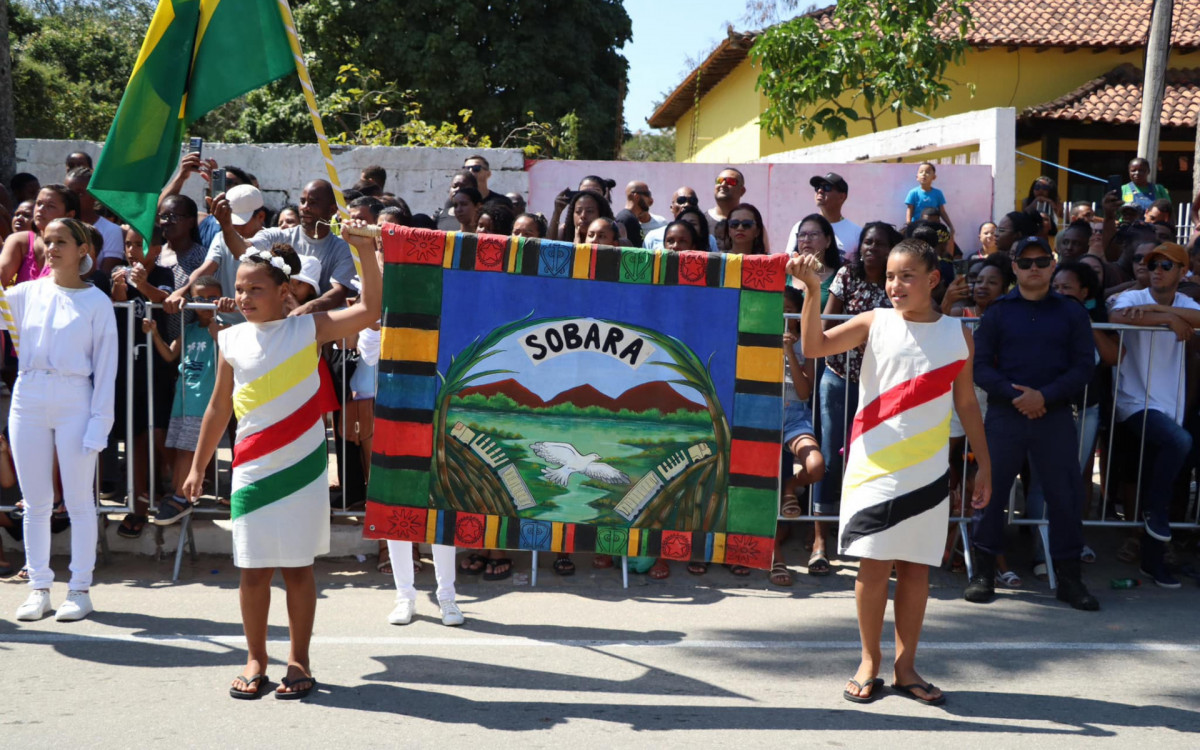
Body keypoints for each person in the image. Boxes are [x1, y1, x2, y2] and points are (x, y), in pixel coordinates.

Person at [181, 223, 381, 700]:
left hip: (303, 466)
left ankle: (299, 660)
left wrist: (366, 251)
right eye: (239, 289)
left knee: (296, 569)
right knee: (252, 570)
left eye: (256, 289)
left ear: (284, 291)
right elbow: (218, 407)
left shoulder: (308, 328)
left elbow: (372, 309)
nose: (245, 297)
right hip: (251, 466)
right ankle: (255, 657)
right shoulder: (229, 340)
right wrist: (197, 466)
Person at [789, 238, 989, 706]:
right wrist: (813, 292)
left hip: (928, 471)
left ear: (933, 279)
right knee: (874, 566)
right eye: (890, 277)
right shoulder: (874, 321)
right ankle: (868, 661)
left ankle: (906, 667)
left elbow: (965, 404)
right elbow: (814, 345)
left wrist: (985, 466)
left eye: (906, 276)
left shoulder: (958, 334)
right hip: (872, 466)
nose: (894, 285)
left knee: (916, 570)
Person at [966, 236, 1099, 610]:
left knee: (1065, 497)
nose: (1034, 268)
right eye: (1025, 263)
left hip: (1054, 416)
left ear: (1052, 264)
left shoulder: (1072, 313)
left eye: (1041, 261)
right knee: (989, 496)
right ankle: (983, 574)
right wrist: (1018, 396)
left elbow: (1083, 367)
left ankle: (1070, 581)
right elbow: (980, 367)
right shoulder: (997, 312)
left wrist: (1045, 396)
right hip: (1006, 416)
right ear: (1015, 268)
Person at [10, 218, 118, 622]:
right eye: (48, 241)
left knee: (77, 502)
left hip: (76, 398)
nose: (51, 248)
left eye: (61, 242)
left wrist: (99, 424)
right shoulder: (23, 294)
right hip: (28, 396)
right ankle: (38, 587)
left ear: (82, 250)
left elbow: (107, 369)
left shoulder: (97, 303)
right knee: (36, 502)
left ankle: (79, 589)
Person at [1108, 242, 1200, 588]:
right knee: (1180, 442)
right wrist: (1168, 318)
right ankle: (1153, 512)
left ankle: (1152, 562)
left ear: (1182, 272)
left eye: (1166, 265)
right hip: (1134, 401)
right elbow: (1116, 317)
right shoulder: (1133, 296)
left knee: (1162, 476)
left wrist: (1165, 315)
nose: (1157, 270)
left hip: (1170, 404)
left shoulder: (1186, 302)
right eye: (1153, 264)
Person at [813, 222, 898, 576]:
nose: (871, 248)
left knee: (878, 462)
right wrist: (856, 336)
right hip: (838, 378)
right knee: (830, 458)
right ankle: (820, 540)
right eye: (867, 242)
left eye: (879, 244)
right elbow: (828, 325)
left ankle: (874, 542)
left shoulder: (897, 282)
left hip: (882, 385)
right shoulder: (847, 275)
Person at [143, 276, 227, 525]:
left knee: (190, 452)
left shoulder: (224, 329)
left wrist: (219, 332)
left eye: (212, 298)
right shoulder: (188, 330)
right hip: (183, 400)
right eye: (199, 299)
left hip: (203, 403)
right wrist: (155, 333)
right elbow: (170, 355)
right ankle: (179, 493)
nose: (205, 304)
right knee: (182, 451)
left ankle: (182, 497)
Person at [111, 225, 178, 537]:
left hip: (159, 363)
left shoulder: (164, 273)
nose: (131, 251)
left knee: (161, 433)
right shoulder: (119, 272)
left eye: (139, 244)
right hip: (130, 365)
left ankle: (172, 492)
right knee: (136, 434)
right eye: (128, 244)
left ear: (156, 248)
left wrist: (144, 285)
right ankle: (138, 502)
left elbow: (166, 301)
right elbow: (115, 311)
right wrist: (120, 291)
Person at [222, 180, 358, 315]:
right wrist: (227, 227)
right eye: (302, 201)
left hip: (320, 330)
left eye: (313, 202)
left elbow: (338, 292)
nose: (305, 207)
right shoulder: (277, 235)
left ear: (332, 209)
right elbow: (243, 252)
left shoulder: (344, 249)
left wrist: (303, 313)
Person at [770, 285, 826, 585]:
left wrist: (790, 350)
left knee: (816, 465)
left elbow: (805, 392)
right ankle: (776, 559)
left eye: (788, 310)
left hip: (794, 420)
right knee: (765, 492)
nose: (782, 316)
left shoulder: (807, 346)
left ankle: (791, 487)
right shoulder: (757, 341)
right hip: (763, 421)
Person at [163, 184, 267, 326]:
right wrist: (179, 292)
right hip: (224, 325)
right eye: (230, 220)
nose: (233, 226)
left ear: (261, 217)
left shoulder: (273, 240)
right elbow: (205, 269)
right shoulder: (221, 237)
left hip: (262, 324)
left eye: (240, 221)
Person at [1, 185, 79, 286]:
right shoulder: (19, 240)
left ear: (69, 215)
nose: (40, 209)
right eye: (39, 203)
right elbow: (2, 274)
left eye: (50, 206)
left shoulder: (78, 246)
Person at [786, 172, 861, 263]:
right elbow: (789, 260)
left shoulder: (856, 233)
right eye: (818, 187)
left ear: (842, 196)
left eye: (827, 187)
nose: (820, 191)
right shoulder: (800, 227)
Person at [64, 168, 125, 276]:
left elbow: (106, 275)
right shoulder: (57, 226)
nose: (73, 198)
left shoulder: (111, 230)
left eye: (80, 193)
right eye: (69, 193)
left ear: (94, 195)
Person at [788, 213, 842, 307]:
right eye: (802, 235)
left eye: (814, 234)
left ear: (828, 241)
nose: (806, 239)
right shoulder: (786, 272)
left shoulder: (839, 278)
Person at [643, 192, 717, 251]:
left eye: (682, 241)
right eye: (681, 200)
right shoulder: (652, 236)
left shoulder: (711, 241)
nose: (687, 204)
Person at [905, 163, 955, 236]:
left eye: (927, 172)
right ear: (917, 177)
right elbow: (910, 210)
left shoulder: (938, 193)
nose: (924, 174)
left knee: (948, 243)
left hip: (934, 228)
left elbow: (942, 212)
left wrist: (950, 226)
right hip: (917, 228)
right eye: (921, 172)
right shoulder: (913, 193)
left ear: (934, 177)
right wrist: (909, 225)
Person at [614, 181, 667, 247]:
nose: (650, 199)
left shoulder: (631, 218)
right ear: (636, 197)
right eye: (647, 194)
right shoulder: (626, 219)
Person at [707, 168, 746, 233]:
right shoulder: (701, 221)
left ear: (742, 191)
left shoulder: (749, 223)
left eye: (730, 181)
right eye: (719, 181)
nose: (723, 184)